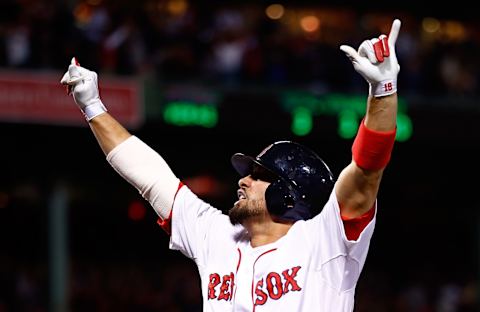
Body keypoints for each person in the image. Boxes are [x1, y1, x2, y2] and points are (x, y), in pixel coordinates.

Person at [61, 19, 402, 312]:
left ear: (288, 193)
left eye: (259, 176)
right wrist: (93, 106)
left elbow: (366, 170)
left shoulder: (325, 240)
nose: (244, 181)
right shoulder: (218, 237)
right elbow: (151, 177)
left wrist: (383, 91)